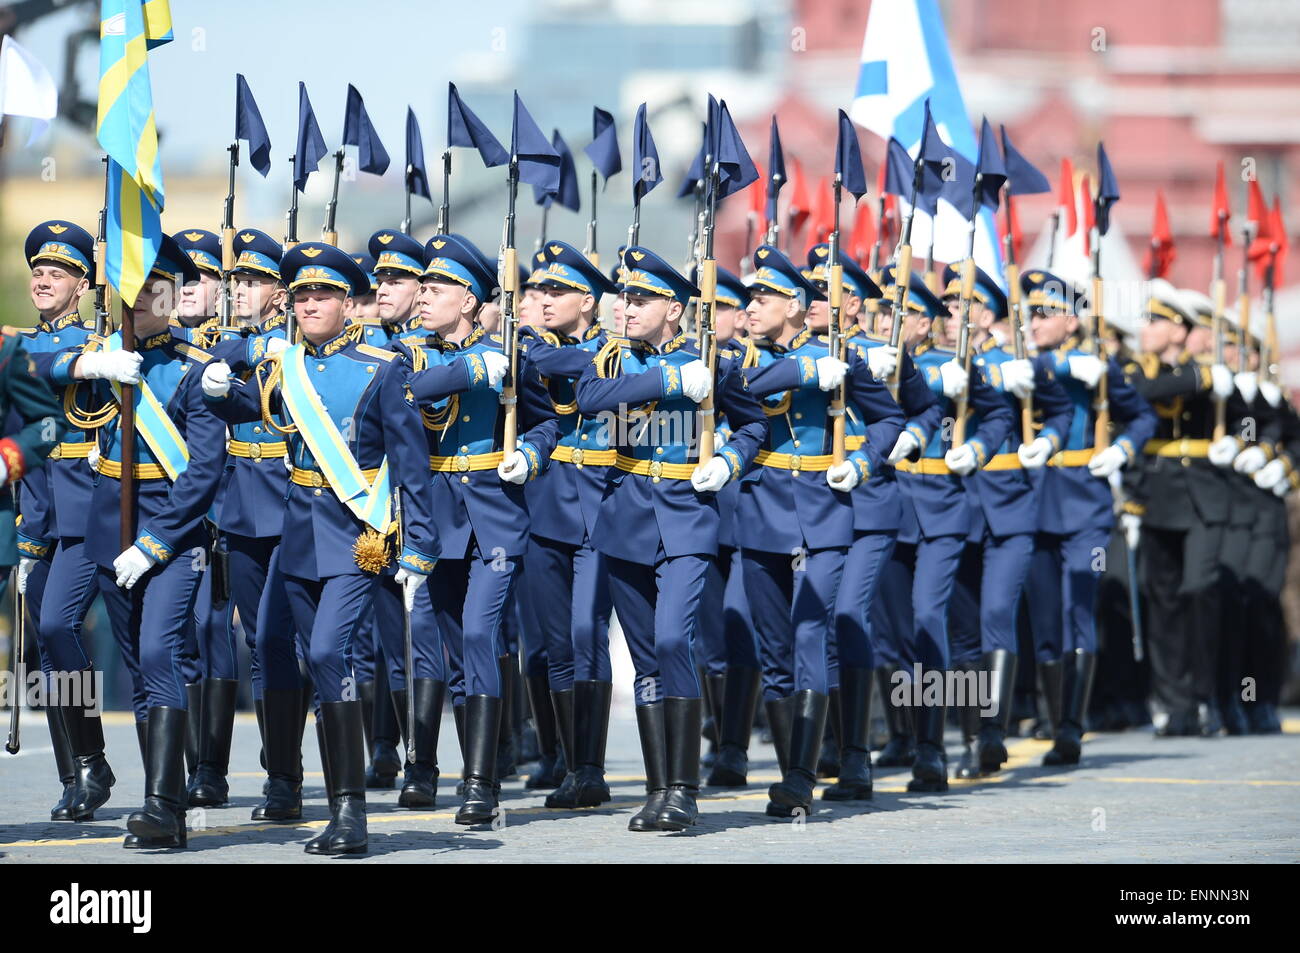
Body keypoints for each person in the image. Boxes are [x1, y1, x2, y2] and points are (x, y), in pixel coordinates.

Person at [202, 242, 440, 855]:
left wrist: (419, 546)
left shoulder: (380, 369)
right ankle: (338, 806)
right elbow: (246, 408)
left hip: (359, 534)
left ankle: (353, 813)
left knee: (333, 653)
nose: (309, 304)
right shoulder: (285, 366)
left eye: (323, 295)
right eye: (301, 295)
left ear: (347, 304)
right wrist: (215, 388)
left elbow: (412, 465)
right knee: (315, 660)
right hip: (300, 532)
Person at [575, 246, 767, 831]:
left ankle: (684, 788)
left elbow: (755, 423)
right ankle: (657, 788)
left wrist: (730, 461)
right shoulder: (609, 361)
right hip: (626, 520)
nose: (626, 309)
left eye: (642, 300)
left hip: (687, 516)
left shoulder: (714, 361)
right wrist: (667, 378)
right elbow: (588, 401)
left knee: (670, 641)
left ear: (675, 310)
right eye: (623, 298)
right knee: (644, 657)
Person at [45, 235, 223, 849]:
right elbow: (27, 366)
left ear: (175, 297)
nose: (142, 299)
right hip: (105, 528)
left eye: (155, 288)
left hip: (169, 532)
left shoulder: (196, 370)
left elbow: (202, 469)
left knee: (157, 653)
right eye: (134, 287)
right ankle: (152, 800)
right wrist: (83, 366)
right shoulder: (103, 356)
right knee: (137, 668)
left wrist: (155, 542)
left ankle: (162, 803)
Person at [396, 233, 558, 825]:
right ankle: (461, 769)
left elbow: (545, 424)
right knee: (452, 652)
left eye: (435, 290)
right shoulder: (413, 355)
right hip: (436, 520)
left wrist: (531, 457)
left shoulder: (509, 355)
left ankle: (480, 783)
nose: (422, 297)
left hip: (493, 516)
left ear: (467, 300)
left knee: (478, 636)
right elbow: (399, 396)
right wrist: (467, 369)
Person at [736, 244, 903, 815]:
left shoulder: (839, 359)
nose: (753, 305)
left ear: (798, 307)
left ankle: (803, 776)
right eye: (752, 295)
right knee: (774, 647)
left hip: (825, 515)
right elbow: (736, 392)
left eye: (766, 296)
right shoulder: (736, 357)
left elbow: (889, 418)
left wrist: (862, 462)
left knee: (813, 630)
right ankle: (794, 764)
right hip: (759, 515)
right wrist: (801, 369)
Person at [1021, 269, 1155, 764]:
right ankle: (1055, 719)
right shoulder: (1017, 364)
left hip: (1084, 504)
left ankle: (1072, 728)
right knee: (1044, 619)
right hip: (1030, 502)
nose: (1034, 322)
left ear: (1072, 321)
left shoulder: (1098, 367)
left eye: (1045, 313)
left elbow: (1142, 416)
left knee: (1079, 607)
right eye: (1030, 313)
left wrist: (1120, 448)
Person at [515, 240, 619, 809]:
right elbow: (531, 363)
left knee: (587, 632)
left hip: (603, 510)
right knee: (554, 643)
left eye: (557, 291)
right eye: (539, 290)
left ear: (590, 300)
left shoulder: (615, 351)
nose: (544, 298)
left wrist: (570, 358)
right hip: (546, 507)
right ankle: (571, 764)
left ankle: (593, 766)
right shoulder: (529, 346)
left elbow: (583, 366)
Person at [14, 220, 105, 822]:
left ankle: (95, 759)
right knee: (47, 653)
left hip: (86, 514)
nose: (45, 281)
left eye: (60, 274)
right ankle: (75, 777)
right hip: (38, 515)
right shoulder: (17, 348)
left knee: (55, 626)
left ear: (82, 287)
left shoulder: (99, 351)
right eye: (39, 272)